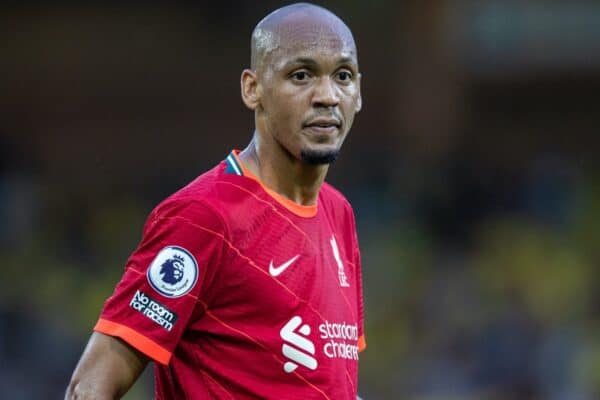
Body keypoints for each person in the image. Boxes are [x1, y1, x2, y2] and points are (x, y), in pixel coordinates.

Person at [65, 2, 365, 399]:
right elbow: (89, 387)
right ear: (252, 88)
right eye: (301, 75)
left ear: (358, 93)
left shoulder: (338, 213)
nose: (327, 95)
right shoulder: (204, 217)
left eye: (342, 76)